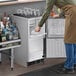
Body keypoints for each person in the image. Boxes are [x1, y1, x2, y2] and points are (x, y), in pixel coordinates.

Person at [35, 0, 76, 74]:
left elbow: (47, 11)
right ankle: (74, 62)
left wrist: (39, 25)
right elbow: (69, 4)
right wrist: (59, 15)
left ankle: (69, 67)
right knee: (74, 39)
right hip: (73, 11)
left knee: (68, 41)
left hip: (72, 14)